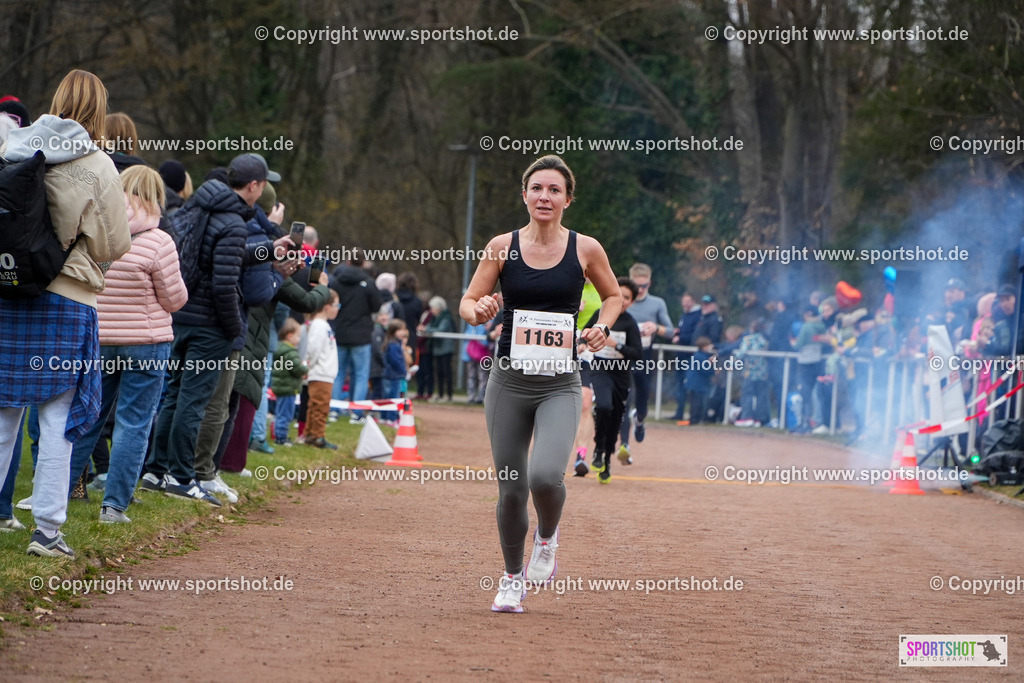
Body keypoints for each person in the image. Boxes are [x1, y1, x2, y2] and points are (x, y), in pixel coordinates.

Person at [459, 154, 621, 613]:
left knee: (546, 476)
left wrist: (601, 328)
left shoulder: (586, 249)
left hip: (559, 382)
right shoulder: (501, 246)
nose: (544, 197)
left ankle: (547, 538)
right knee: (511, 486)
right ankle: (512, 578)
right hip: (508, 380)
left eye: (554, 190)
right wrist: (480, 311)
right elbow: (468, 301)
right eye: (537, 188)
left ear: (568, 199)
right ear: (524, 195)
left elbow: (612, 296)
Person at [0, 70, 132, 556]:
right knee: (59, 418)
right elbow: (114, 242)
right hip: (68, 297)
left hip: (9, 292)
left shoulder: (12, 146)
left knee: (2, 413)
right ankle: (48, 531)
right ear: (99, 110)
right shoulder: (97, 163)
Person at [143, 153, 282, 503]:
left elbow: (220, 255)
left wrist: (268, 250)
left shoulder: (200, 207)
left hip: (182, 315)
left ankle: (157, 470)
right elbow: (223, 283)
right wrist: (234, 328)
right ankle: (182, 477)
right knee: (194, 401)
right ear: (253, 186)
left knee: (175, 396)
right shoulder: (234, 223)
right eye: (262, 185)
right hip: (211, 325)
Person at [63, 165, 187, 523]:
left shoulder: (99, 233)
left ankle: (59, 492)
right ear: (157, 199)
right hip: (146, 343)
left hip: (102, 340)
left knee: (90, 418)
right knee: (134, 423)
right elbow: (175, 299)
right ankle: (114, 505)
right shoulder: (159, 241)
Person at [583, 277, 642, 483]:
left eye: (628, 298)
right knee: (604, 407)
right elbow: (586, 331)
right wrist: (584, 339)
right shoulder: (602, 315)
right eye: (621, 295)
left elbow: (637, 353)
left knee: (616, 417)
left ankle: (606, 461)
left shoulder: (630, 323)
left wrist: (616, 345)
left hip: (621, 373)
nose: (623, 300)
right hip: (600, 368)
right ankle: (598, 449)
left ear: (632, 302)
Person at [616, 264, 672, 464]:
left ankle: (639, 420)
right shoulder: (620, 301)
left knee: (642, 399)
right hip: (622, 357)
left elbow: (671, 331)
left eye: (645, 286)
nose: (640, 290)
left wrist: (656, 327)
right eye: (637, 286)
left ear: (650, 283)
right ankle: (625, 444)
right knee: (624, 399)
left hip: (644, 357)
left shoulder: (657, 304)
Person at [329, 250, 381, 423]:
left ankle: (334, 410)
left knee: (338, 373)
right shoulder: (369, 282)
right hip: (361, 335)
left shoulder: (336, 281)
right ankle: (356, 414)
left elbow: (330, 302)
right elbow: (376, 306)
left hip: (341, 333)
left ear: (348, 261)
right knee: (360, 374)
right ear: (363, 263)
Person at [571, 279, 602, 474]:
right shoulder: (564, 279)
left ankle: (580, 455)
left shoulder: (603, 286)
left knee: (585, 400)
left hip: (586, 350)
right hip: (557, 344)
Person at [304, 290, 341, 449]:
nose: (338, 308)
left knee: (316, 406)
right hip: (320, 374)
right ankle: (317, 437)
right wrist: (308, 367)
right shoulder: (319, 326)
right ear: (327, 307)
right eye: (336, 305)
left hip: (324, 374)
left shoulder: (323, 325)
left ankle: (311, 434)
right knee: (320, 407)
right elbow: (313, 350)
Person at [271, 319, 308, 446]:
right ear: (290, 335)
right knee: (286, 414)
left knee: (280, 412)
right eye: (298, 336)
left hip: (281, 386)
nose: (299, 339)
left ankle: (278, 434)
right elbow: (297, 369)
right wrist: (305, 368)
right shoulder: (291, 352)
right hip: (288, 388)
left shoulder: (280, 349)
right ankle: (281, 437)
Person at [671, 293, 702, 422]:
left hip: (692, 357)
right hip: (681, 355)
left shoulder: (698, 315)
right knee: (680, 385)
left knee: (691, 386)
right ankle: (679, 413)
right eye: (683, 301)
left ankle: (695, 416)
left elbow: (695, 336)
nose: (685, 304)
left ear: (693, 301)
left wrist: (681, 337)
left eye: (688, 301)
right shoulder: (684, 314)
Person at [734, 319, 770, 427]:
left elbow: (741, 353)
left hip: (749, 372)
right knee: (760, 396)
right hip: (762, 372)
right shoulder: (764, 340)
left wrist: (735, 358)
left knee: (747, 395)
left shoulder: (748, 339)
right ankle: (758, 419)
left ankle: (747, 417)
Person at [424, 296, 456, 402]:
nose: (431, 310)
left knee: (447, 372)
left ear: (438, 308)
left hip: (446, 350)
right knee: (439, 373)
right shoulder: (435, 318)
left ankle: (449, 395)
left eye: (433, 308)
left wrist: (426, 329)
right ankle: (441, 394)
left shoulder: (446, 318)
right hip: (437, 349)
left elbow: (441, 330)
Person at [382, 319, 409, 424]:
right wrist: (404, 371)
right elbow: (396, 361)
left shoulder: (395, 343)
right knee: (393, 397)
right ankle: (391, 418)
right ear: (393, 331)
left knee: (388, 397)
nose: (403, 332)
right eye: (400, 330)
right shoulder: (393, 345)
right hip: (392, 375)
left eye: (404, 330)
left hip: (391, 375)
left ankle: (387, 417)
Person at [684, 337, 716, 424]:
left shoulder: (700, 356)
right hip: (697, 384)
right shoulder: (700, 357)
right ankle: (694, 419)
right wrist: (713, 369)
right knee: (696, 403)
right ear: (704, 346)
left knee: (698, 402)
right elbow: (705, 370)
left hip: (697, 384)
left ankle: (696, 419)